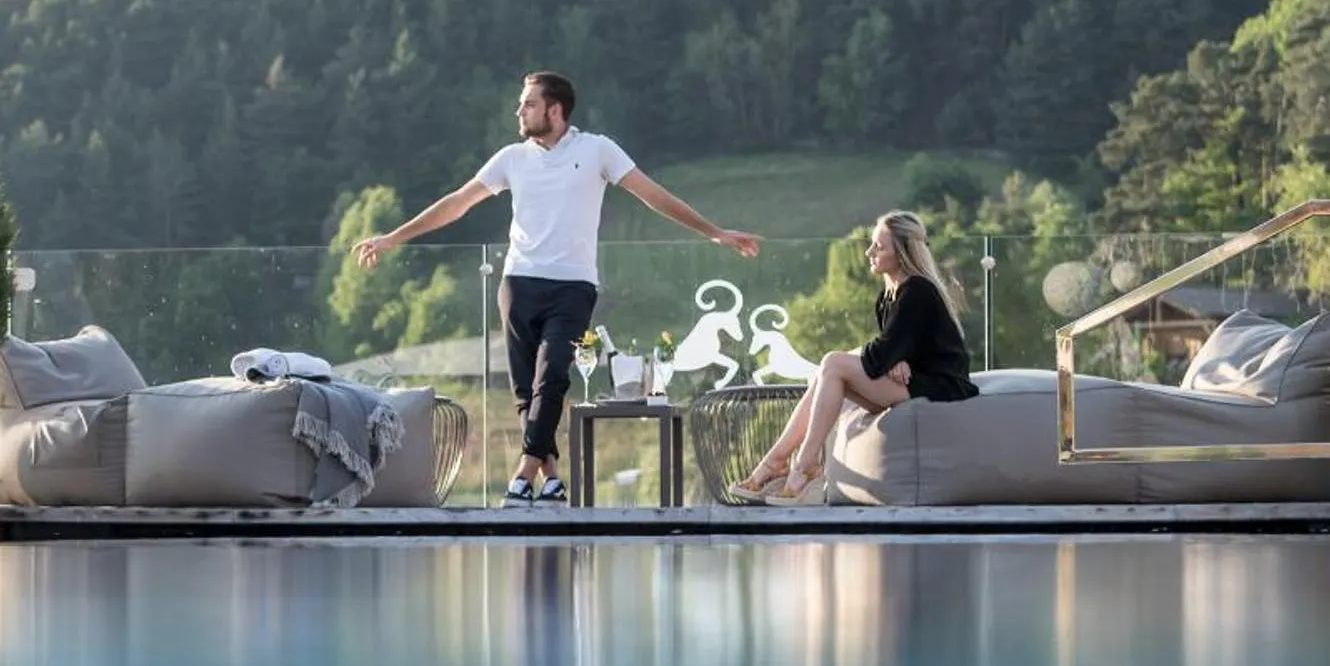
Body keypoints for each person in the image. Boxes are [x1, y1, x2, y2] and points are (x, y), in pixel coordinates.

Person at [350, 72, 761, 505]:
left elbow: (652, 194)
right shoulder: (512, 158)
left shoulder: (597, 150)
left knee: (553, 376)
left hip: (573, 287)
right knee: (526, 390)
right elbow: (457, 202)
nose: (519, 112)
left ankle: (523, 473)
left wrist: (714, 232)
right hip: (517, 284)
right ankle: (552, 479)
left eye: (528, 104)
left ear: (555, 110)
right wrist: (393, 237)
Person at [734, 209, 980, 505]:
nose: (869, 252)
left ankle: (801, 465)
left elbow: (880, 357)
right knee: (825, 372)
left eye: (879, 246)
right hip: (914, 381)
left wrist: (891, 356)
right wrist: (897, 358)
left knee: (833, 363)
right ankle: (780, 462)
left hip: (941, 386)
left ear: (902, 252)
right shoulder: (888, 297)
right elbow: (895, 349)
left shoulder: (917, 291)